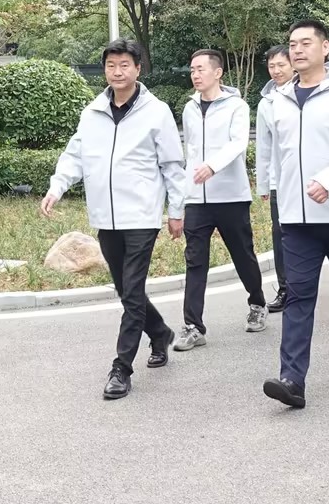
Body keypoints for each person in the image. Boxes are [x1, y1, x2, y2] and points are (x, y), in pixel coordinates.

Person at [41, 39, 188, 400]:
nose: (117, 71)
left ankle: (121, 368)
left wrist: (177, 211)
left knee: (132, 290)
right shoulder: (93, 112)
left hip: (141, 216)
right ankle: (160, 333)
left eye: (125, 65)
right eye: (111, 66)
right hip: (105, 217)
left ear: (138, 69)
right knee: (126, 290)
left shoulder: (157, 112)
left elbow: (172, 164)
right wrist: (57, 187)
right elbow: (75, 153)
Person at [258, 19, 329, 408]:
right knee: (298, 296)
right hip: (297, 217)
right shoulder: (279, 99)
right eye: (292, 44)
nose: (298, 50)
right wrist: (275, 194)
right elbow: (277, 155)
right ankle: (292, 379)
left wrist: (328, 180)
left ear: (325, 48)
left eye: (306, 43)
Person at [173, 49, 268, 351]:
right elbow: (188, 153)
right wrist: (180, 198)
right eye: (192, 70)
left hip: (230, 196)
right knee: (194, 260)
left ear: (217, 73)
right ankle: (193, 326)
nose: (195, 74)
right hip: (197, 199)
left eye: (200, 69)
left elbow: (238, 142)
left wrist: (212, 166)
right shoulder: (189, 108)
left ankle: (257, 302)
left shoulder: (236, 106)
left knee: (243, 255)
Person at [255, 45, 294, 313]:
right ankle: (285, 288)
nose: (277, 70)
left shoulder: (306, 93)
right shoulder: (266, 102)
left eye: (281, 65)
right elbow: (264, 146)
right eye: (272, 66)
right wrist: (264, 184)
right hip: (280, 181)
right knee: (280, 235)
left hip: (309, 180)